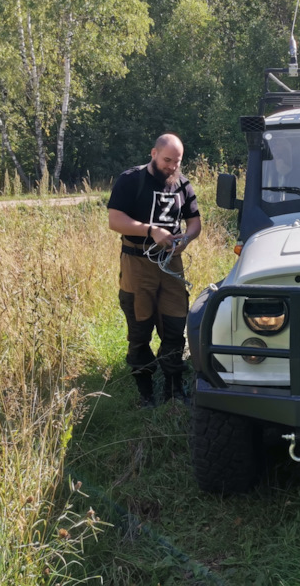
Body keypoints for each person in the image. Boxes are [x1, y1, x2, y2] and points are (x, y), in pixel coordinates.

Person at [107, 134, 202, 407]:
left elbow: (195, 223)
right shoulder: (131, 180)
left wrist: (185, 239)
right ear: (154, 154)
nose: (171, 166)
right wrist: (151, 231)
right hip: (137, 263)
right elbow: (115, 220)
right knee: (139, 330)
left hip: (171, 263)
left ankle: (174, 391)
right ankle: (145, 395)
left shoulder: (183, 185)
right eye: (167, 160)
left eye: (177, 161)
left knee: (174, 327)